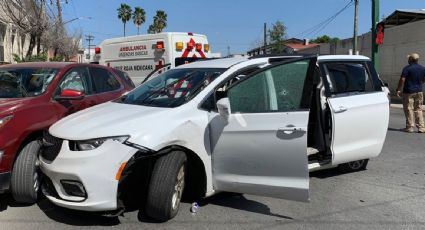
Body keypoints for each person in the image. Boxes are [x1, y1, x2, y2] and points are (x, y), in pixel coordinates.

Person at [396, 53, 425, 133]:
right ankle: (421, 128)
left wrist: (398, 89)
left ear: (410, 60)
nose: (408, 60)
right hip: (419, 91)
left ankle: (409, 127)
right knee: (418, 109)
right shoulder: (422, 68)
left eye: (408, 59)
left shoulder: (407, 68)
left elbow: (402, 80)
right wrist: (420, 83)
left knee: (409, 109)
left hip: (408, 92)